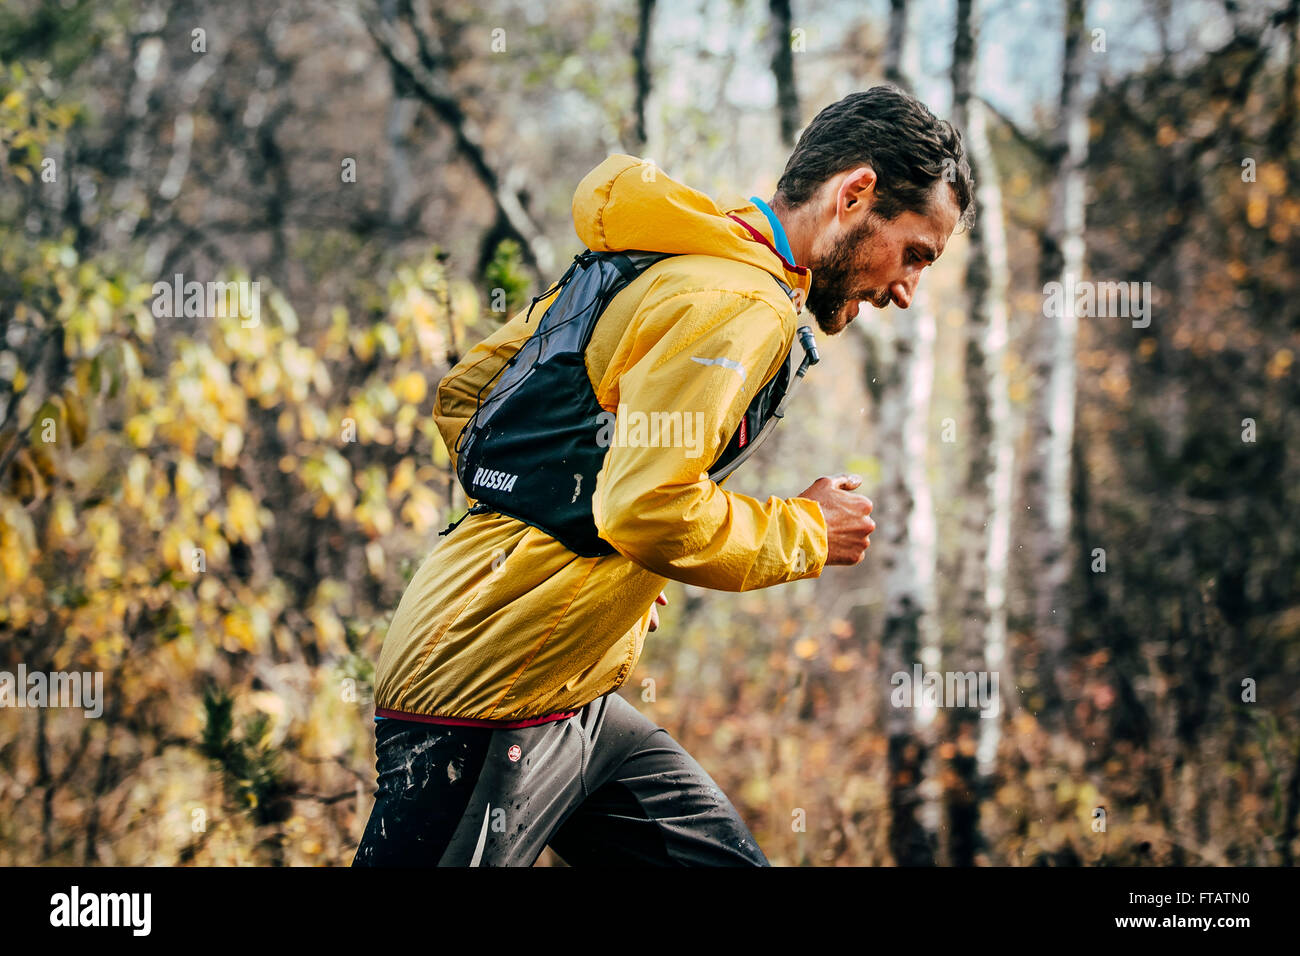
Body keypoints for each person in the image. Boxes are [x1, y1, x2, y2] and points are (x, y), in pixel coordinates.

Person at [352, 85, 974, 866]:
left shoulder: (671, 259)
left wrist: (601, 551)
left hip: (569, 696)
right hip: (487, 692)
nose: (908, 290)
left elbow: (472, 401)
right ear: (855, 195)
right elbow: (647, 505)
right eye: (915, 253)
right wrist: (806, 529)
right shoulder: (740, 304)